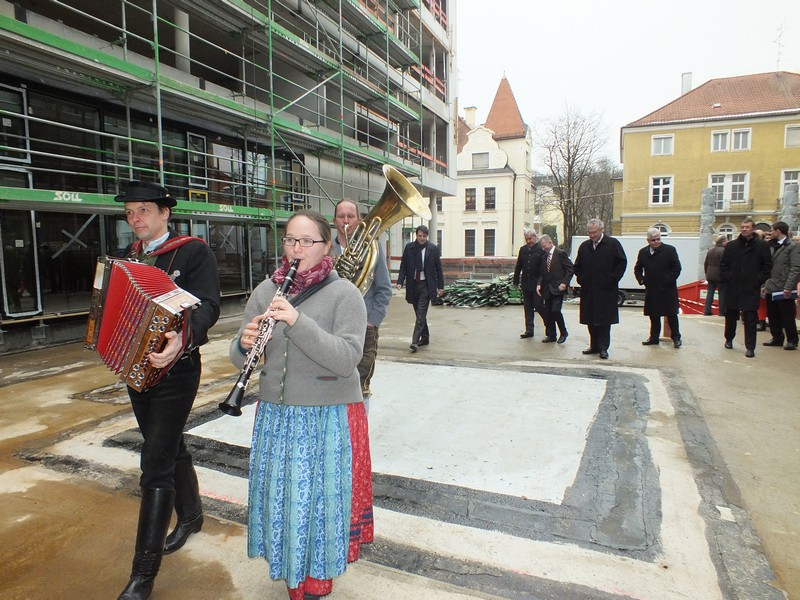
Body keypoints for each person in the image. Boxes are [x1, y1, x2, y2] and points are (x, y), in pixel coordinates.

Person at [230, 210, 370, 600]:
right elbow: (244, 356)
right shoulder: (265, 291)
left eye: (307, 241)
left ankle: (314, 586)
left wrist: (297, 320)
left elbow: (346, 359)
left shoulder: (346, 294)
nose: (296, 248)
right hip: (277, 415)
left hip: (328, 417)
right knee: (286, 503)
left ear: (327, 245)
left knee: (319, 508)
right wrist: (243, 345)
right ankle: (291, 573)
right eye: (290, 240)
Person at [114, 181, 221, 600]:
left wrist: (183, 336)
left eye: (142, 210)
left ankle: (143, 574)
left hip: (176, 370)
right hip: (135, 369)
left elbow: (209, 305)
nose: (135, 218)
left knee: (155, 463)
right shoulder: (126, 258)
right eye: (129, 212)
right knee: (169, 444)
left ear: (164, 213)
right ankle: (192, 516)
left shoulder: (193, 251)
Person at [332, 199, 393, 408]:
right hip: (332, 326)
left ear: (359, 220)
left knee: (361, 385)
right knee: (332, 382)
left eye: (351, 216)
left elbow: (384, 289)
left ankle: (359, 436)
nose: (346, 221)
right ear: (335, 221)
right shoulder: (324, 250)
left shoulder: (371, 249)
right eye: (341, 216)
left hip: (364, 327)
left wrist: (372, 321)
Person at [573, 218, 627, 359]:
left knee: (604, 321)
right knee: (590, 319)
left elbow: (621, 262)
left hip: (606, 290)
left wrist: (613, 278)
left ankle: (603, 347)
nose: (591, 235)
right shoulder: (585, 246)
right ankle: (594, 345)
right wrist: (582, 279)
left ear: (601, 230)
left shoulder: (612, 244)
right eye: (589, 233)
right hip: (589, 290)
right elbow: (577, 266)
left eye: (594, 232)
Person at [720, 218, 772, 358]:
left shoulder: (761, 246)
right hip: (733, 286)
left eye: (747, 227)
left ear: (753, 229)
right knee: (731, 316)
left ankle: (750, 347)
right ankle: (729, 339)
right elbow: (724, 265)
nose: (744, 229)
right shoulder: (731, 246)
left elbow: (767, 266)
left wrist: (758, 280)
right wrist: (728, 278)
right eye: (742, 227)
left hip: (751, 287)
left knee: (750, 318)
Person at [396, 224, 444, 352]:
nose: (421, 238)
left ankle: (415, 341)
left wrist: (441, 286)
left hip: (426, 285)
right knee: (419, 314)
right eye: (419, 236)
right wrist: (400, 281)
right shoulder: (409, 248)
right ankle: (426, 337)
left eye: (424, 236)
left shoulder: (433, 249)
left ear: (427, 236)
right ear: (416, 235)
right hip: (413, 285)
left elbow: (438, 269)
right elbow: (403, 267)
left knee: (421, 313)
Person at [634, 228, 683, 348]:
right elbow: (638, 268)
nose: (656, 242)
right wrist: (642, 280)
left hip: (667, 289)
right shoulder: (643, 252)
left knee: (671, 314)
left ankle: (676, 337)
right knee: (654, 315)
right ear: (648, 240)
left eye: (658, 239)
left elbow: (676, 268)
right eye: (653, 240)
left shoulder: (669, 250)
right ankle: (654, 337)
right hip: (652, 288)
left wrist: (668, 279)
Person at [761, 221, 800, 350]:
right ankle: (777, 337)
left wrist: (789, 286)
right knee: (773, 314)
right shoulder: (771, 246)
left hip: (784, 286)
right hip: (771, 285)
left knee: (787, 315)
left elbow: (795, 268)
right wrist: (764, 284)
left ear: (778, 231)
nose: (770, 233)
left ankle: (792, 340)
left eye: (772, 230)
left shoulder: (792, 246)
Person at [536, 234, 572, 344]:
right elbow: (542, 273)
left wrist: (565, 283)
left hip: (558, 288)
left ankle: (563, 332)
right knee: (548, 313)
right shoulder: (544, 257)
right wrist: (539, 284)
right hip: (547, 289)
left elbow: (570, 269)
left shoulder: (560, 254)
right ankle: (551, 335)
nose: (543, 249)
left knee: (555, 311)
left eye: (544, 246)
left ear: (550, 242)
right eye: (541, 247)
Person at [513, 228, 546, 338]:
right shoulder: (523, 250)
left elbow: (543, 269)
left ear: (535, 237)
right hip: (526, 283)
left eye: (530, 239)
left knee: (539, 305)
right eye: (526, 239)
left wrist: (541, 282)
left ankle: (549, 326)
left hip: (537, 284)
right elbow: (519, 266)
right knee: (528, 308)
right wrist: (516, 281)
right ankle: (529, 330)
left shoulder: (541, 250)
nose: (528, 241)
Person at [703, 235, 727, 315]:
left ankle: (707, 310)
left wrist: (707, 273)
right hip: (720, 276)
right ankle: (722, 311)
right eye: (726, 241)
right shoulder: (724, 251)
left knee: (710, 293)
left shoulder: (710, 250)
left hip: (710, 275)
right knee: (722, 294)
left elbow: (706, 263)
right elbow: (725, 264)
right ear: (723, 242)